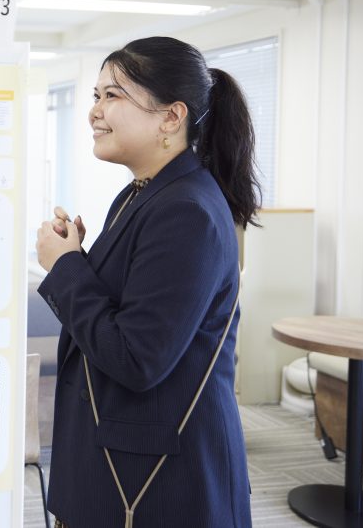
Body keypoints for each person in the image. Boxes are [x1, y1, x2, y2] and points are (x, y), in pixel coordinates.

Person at [35, 36, 257, 527]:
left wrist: (66, 267)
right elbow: (127, 308)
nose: (95, 111)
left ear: (171, 117)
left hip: (159, 480)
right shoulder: (143, 193)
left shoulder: (186, 211)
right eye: (96, 96)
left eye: (113, 96)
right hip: (125, 456)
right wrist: (77, 258)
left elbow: (137, 358)